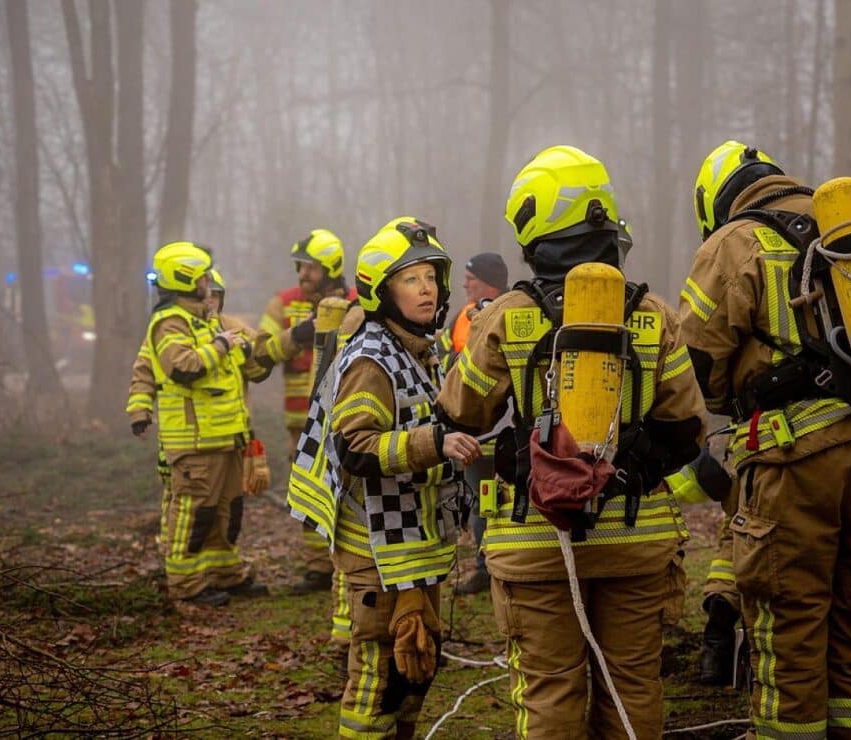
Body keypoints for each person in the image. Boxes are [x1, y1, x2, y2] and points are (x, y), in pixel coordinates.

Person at [436, 146, 706, 738]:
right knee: (632, 687)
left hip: (536, 542)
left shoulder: (507, 316)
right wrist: (628, 468)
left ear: (534, 231)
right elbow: (688, 428)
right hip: (635, 541)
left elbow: (460, 411)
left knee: (551, 690)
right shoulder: (655, 316)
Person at [679, 140, 851, 738]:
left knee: (789, 634)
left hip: (794, 464)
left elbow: (696, 361)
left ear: (716, 201)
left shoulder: (734, 243)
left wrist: (734, 400)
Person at [289, 217, 480, 738]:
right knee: (378, 677)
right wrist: (433, 444)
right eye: (410, 279)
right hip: (376, 550)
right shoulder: (371, 359)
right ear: (382, 292)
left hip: (413, 542)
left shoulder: (419, 349)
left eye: (431, 277)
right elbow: (355, 447)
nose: (426, 289)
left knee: (415, 666)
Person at [144, 243, 270, 606]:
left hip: (224, 438)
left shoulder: (205, 320)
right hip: (194, 442)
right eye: (201, 277)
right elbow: (181, 366)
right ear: (185, 280)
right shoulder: (170, 323)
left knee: (225, 512)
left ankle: (225, 575)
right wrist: (220, 346)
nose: (207, 283)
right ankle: (186, 585)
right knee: (193, 514)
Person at [259, 229, 358, 595]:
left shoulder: (358, 303)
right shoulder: (284, 305)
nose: (302, 274)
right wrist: (297, 335)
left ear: (330, 268)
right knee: (309, 493)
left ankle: (349, 563)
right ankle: (318, 568)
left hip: (348, 419)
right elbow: (256, 357)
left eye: (310, 267)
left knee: (348, 491)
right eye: (300, 266)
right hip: (301, 426)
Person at [438, 252, 509, 596]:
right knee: (484, 502)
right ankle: (487, 567)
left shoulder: (512, 311)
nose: (465, 284)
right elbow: (441, 359)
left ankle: (504, 567)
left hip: (506, 433)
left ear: (490, 283)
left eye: (472, 279)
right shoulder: (461, 316)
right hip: (473, 436)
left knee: (506, 502)